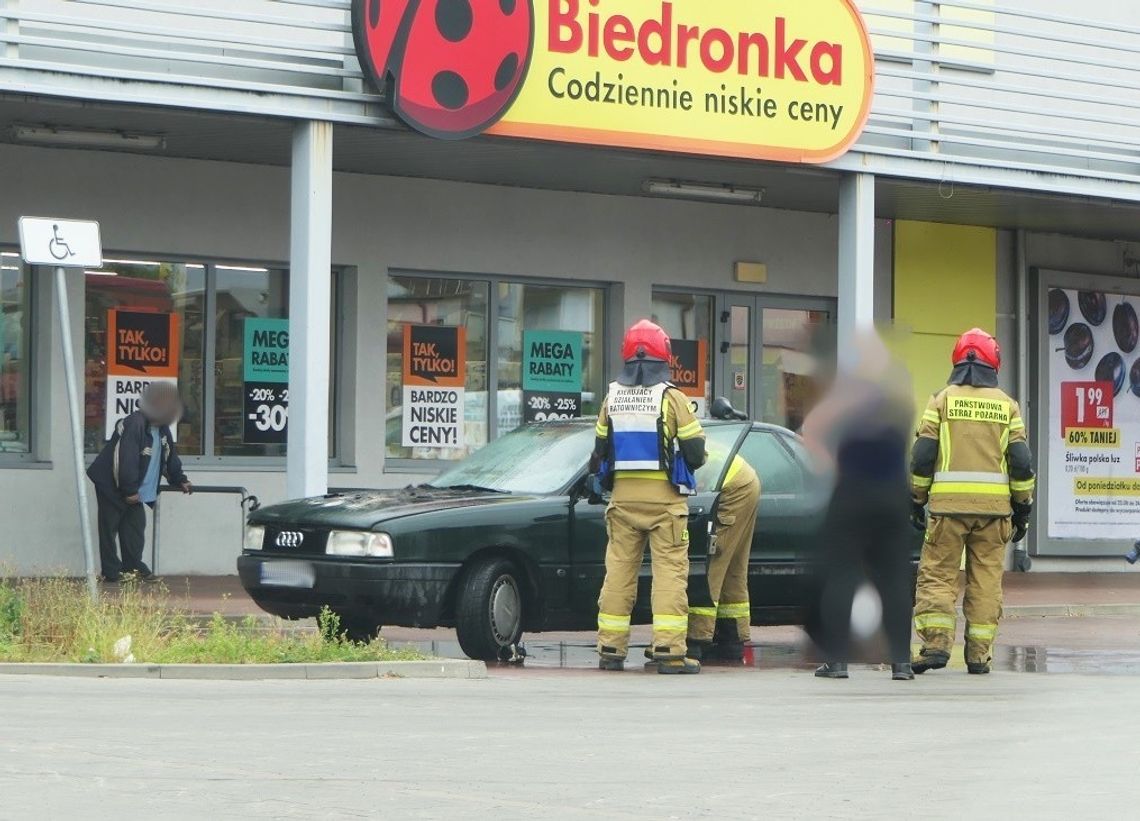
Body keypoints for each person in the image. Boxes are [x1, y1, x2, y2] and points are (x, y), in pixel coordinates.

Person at [909, 329, 1035, 675]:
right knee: (986, 582)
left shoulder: (941, 401)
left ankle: (935, 646)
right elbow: (1021, 464)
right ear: (994, 362)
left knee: (937, 576)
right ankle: (978, 655)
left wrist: (916, 499)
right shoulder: (1008, 406)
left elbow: (922, 457)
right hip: (994, 515)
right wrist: (1023, 509)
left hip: (947, 511)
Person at [592, 320, 707, 674]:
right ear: (664, 356)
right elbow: (695, 451)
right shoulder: (672, 398)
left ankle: (611, 648)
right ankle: (669, 651)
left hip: (623, 502)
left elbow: (598, 451)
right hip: (664, 504)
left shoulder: (612, 398)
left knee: (619, 573)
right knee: (670, 573)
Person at [803, 330, 917, 681]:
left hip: (853, 494)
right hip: (894, 495)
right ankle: (901, 663)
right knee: (895, 579)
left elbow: (811, 429)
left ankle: (837, 661)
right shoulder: (900, 399)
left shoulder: (847, 396)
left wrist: (830, 464)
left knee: (841, 576)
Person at [87, 381, 192, 582]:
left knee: (134, 529)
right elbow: (126, 459)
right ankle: (111, 572)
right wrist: (129, 490)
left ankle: (133, 567)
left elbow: (169, 456)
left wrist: (180, 480)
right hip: (112, 485)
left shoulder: (162, 430)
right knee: (109, 528)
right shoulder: (134, 423)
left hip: (135, 490)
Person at [686, 451, 760, 663]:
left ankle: (694, 640)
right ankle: (731, 639)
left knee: (711, 564)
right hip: (744, 481)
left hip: (732, 488)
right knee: (732, 568)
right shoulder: (676, 428)